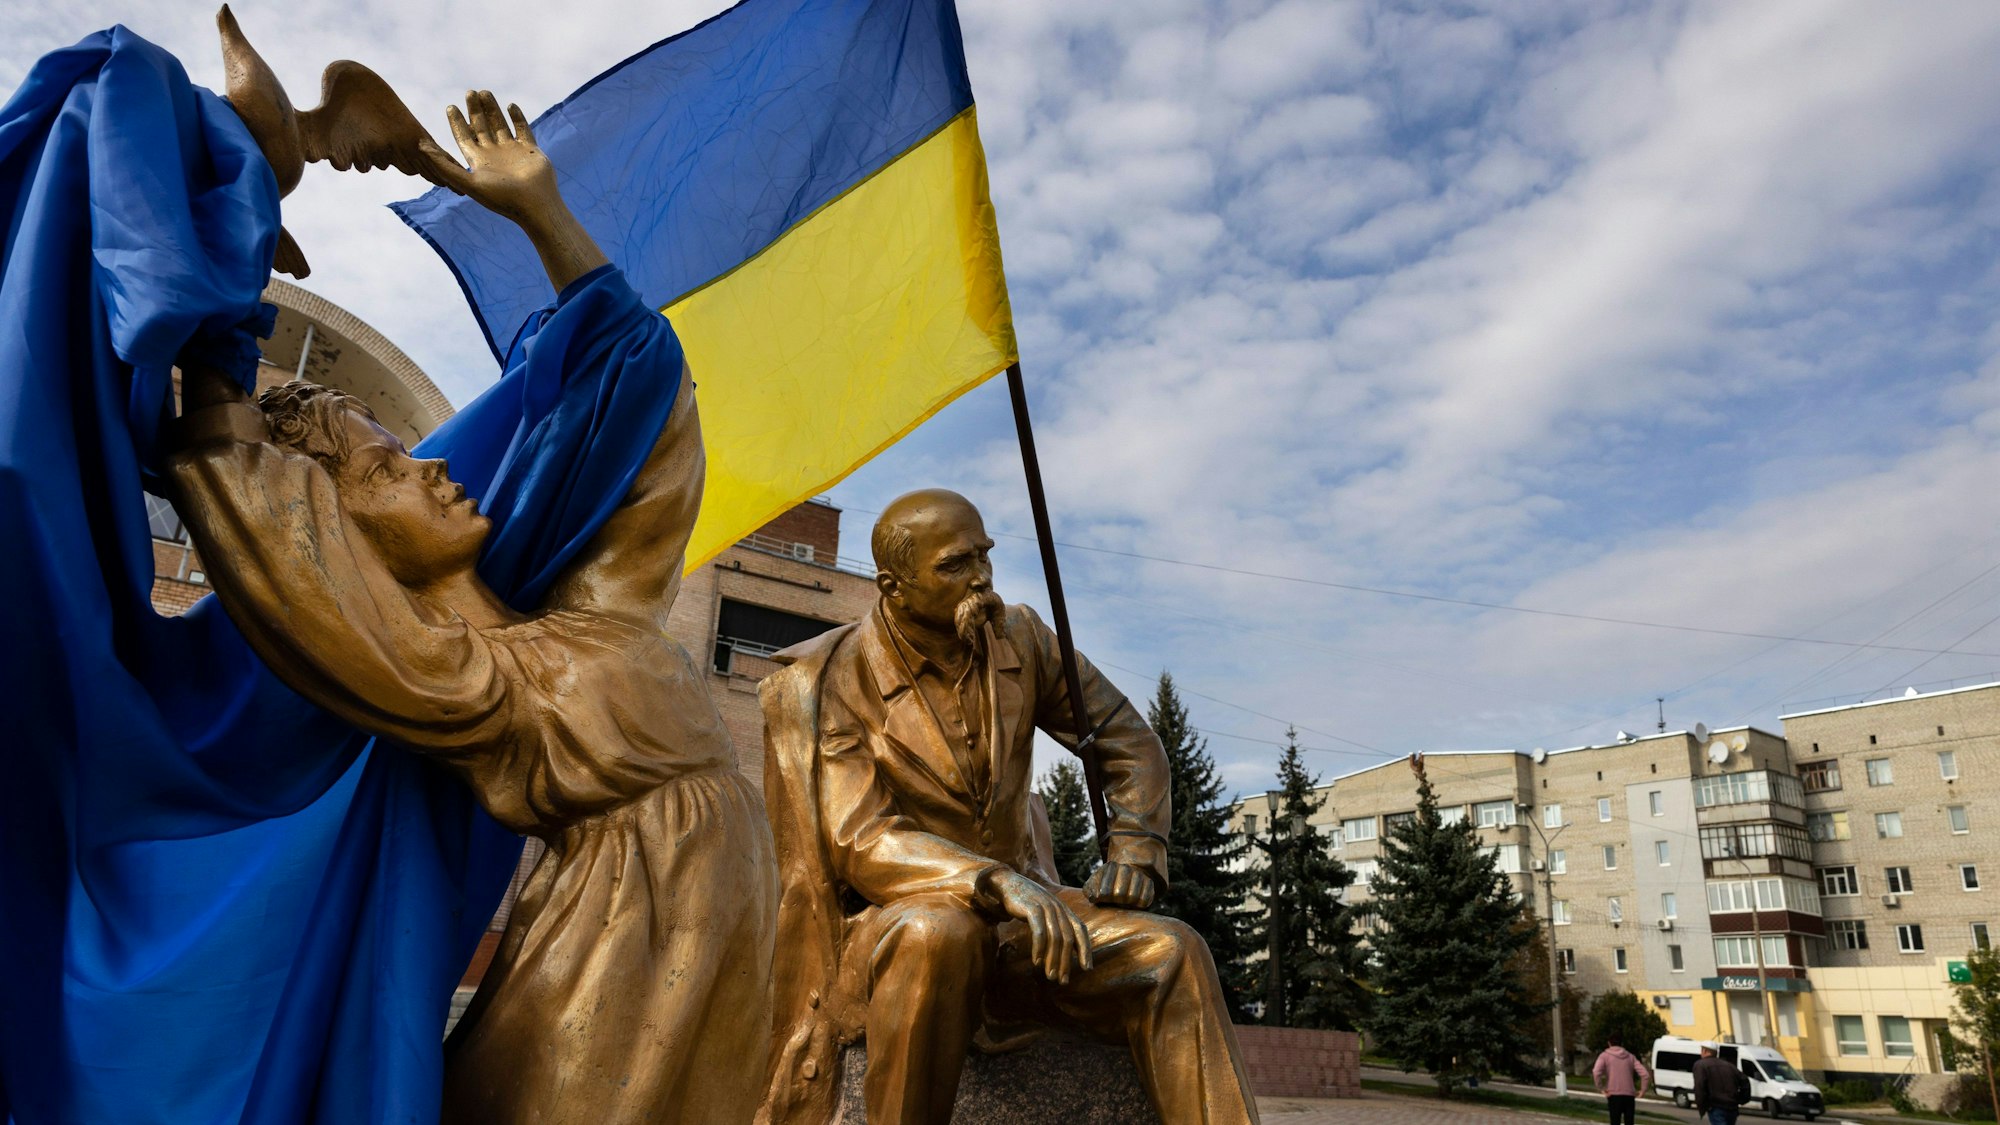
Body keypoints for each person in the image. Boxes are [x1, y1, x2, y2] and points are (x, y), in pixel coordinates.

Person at [163, 90, 776, 1124]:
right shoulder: (449, 676)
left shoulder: (597, 608)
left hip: (730, 937)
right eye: (388, 468)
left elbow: (650, 389)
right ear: (343, 533)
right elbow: (277, 550)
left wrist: (540, 213)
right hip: (617, 947)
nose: (435, 470)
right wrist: (221, 322)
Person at [757, 489, 1259, 1125]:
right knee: (939, 932)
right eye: (955, 565)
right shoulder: (834, 680)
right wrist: (994, 883)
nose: (981, 578)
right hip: (897, 927)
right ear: (894, 586)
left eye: (984, 556)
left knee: (1173, 953)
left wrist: (1136, 846)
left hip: (1031, 925)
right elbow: (863, 840)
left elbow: (1130, 744)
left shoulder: (1019, 636)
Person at [1591, 1032, 1652, 1125]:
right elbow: (1645, 1074)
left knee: (1615, 1121)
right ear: (1621, 1043)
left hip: (1613, 1094)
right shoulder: (1631, 1057)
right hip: (1629, 1095)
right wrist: (1643, 1090)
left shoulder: (1604, 1056)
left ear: (1609, 1043)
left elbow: (1596, 1072)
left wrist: (1601, 1088)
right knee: (1629, 1122)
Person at [1692, 1041, 1742, 1125]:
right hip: (1732, 1107)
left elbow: (1699, 1087)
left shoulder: (1701, 1065)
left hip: (1716, 1107)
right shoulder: (1730, 1066)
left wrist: (1702, 1107)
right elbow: (1745, 1082)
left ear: (1704, 1051)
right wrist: (1740, 1099)